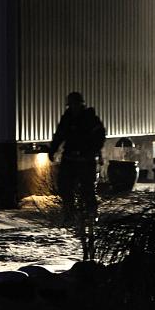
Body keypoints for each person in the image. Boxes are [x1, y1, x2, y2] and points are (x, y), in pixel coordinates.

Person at [48, 91, 106, 219]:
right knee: (64, 185)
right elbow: (59, 135)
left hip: (86, 158)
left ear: (81, 105)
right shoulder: (67, 118)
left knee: (87, 187)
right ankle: (69, 210)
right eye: (71, 105)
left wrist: (94, 150)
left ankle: (91, 212)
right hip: (70, 157)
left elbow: (100, 135)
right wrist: (52, 150)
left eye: (76, 104)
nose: (73, 107)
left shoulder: (90, 118)